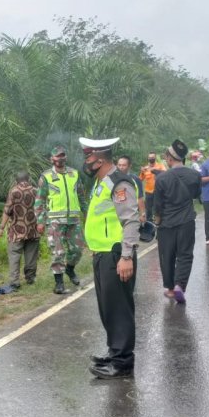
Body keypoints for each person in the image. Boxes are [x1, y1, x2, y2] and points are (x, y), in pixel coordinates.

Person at [79, 137, 141, 379]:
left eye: (88, 157)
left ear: (100, 158)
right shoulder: (100, 183)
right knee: (108, 308)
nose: (86, 162)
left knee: (119, 309)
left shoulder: (119, 183)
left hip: (116, 254)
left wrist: (126, 256)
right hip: (102, 253)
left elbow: (131, 220)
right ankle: (115, 351)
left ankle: (123, 362)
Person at [153, 140, 202, 303]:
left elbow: (158, 206)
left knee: (167, 255)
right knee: (185, 255)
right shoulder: (195, 175)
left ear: (169, 158)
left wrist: (157, 222)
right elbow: (196, 195)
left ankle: (170, 288)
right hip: (187, 221)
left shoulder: (162, 178)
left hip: (167, 224)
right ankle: (180, 285)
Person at [35, 146, 87, 294]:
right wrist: (40, 220)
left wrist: (86, 212)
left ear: (66, 157)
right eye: (57, 156)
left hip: (74, 220)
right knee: (58, 252)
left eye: (62, 156)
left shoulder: (74, 174)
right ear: (52, 159)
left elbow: (81, 195)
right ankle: (59, 282)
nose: (60, 158)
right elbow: (40, 200)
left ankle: (70, 270)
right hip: (55, 221)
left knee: (77, 250)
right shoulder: (46, 177)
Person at [0, 171, 40, 289]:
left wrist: (1, 228)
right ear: (29, 179)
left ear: (16, 181)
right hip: (33, 229)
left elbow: (7, 210)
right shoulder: (36, 191)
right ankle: (30, 278)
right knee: (31, 256)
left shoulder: (14, 191)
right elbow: (41, 209)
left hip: (16, 231)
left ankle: (15, 281)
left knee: (14, 255)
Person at [116, 155, 147, 223]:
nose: (121, 167)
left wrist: (142, 215)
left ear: (129, 166)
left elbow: (140, 198)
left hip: (131, 215)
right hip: (116, 215)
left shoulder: (135, 179)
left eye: (124, 165)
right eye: (119, 165)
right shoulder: (113, 179)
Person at [139, 151, 167, 222]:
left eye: (152, 157)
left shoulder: (160, 166)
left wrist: (154, 170)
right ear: (148, 158)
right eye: (150, 157)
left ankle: (160, 221)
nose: (151, 159)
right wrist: (142, 172)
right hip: (148, 191)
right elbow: (140, 179)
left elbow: (165, 174)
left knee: (158, 206)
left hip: (158, 191)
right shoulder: (145, 168)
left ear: (155, 158)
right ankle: (149, 223)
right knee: (148, 208)